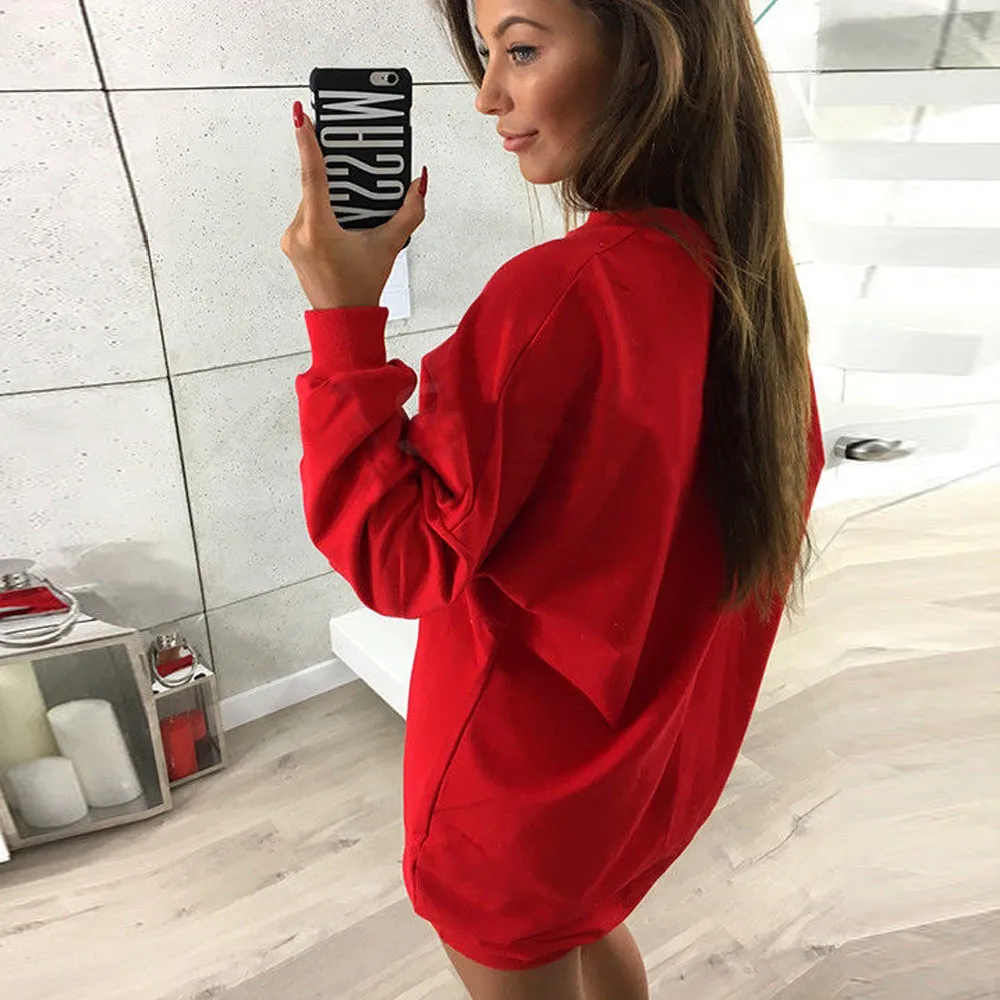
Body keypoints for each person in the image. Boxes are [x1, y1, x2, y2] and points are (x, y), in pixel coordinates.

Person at [281, 0, 826, 996]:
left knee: (530, 937)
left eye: (522, 49)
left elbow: (397, 561)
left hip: (512, 792)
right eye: (488, 54)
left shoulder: (561, 296)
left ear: (650, 55)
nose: (488, 95)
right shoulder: (749, 294)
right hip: (639, 773)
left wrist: (343, 317)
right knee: (586, 921)